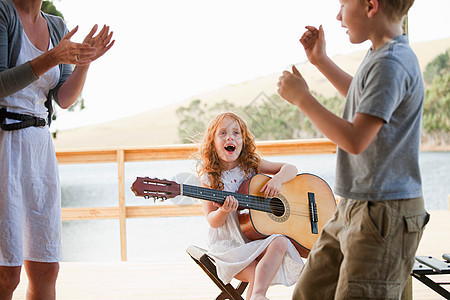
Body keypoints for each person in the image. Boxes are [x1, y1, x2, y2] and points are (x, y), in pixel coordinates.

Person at [277, 0, 429, 299]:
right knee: (309, 292)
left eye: (343, 4)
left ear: (371, 6)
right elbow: (363, 98)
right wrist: (320, 60)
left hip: (384, 212)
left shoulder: (392, 62)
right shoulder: (381, 54)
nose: (338, 16)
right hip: (354, 204)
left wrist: (303, 98)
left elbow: (356, 140)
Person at [0, 0, 114, 298]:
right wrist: (52, 57)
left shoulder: (56, 25)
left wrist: (83, 62)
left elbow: (63, 98)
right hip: (5, 143)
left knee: (46, 267)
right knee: (5, 274)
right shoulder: (2, 12)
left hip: (39, 145)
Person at [196, 112, 304, 300]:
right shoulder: (209, 177)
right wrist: (223, 211)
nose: (230, 137)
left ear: (243, 140)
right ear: (212, 142)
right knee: (257, 275)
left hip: (255, 238)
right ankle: (259, 296)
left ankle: (257, 296)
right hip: (229, 245)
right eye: (223, 133)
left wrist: (277, 180)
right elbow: (212, 221)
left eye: (236, 133)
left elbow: (291, 168)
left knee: (280, 241)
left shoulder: (251, 165)